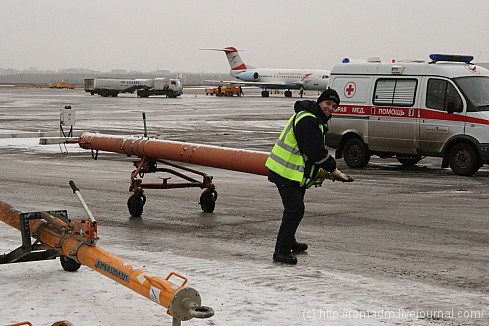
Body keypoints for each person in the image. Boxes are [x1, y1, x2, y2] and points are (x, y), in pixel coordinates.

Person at [265, 88, 354, 264]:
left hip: (294, 174)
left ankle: (289, 241)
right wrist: (333, 169)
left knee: (294, 210)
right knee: (295, 209)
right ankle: (281, 251)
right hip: (285, 172)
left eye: (334, 106)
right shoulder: (307, 119)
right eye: (328, 103)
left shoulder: (316, 120)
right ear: (320, 102)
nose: (330, 108)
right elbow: (315, 152)